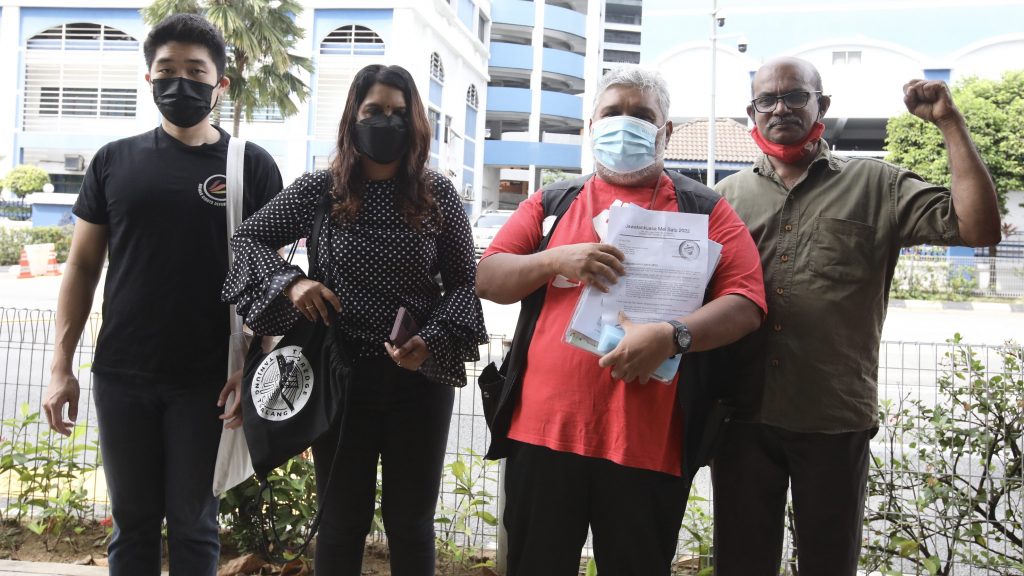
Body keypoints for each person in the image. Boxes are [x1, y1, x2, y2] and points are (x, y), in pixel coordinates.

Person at [713, 56, 1001, 575]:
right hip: (740, 415)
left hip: (832, 416)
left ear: (822, 104)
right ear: (751, 113)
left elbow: (978, 228)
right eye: (766, 100)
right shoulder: (724, 198)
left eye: (795, 96)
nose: (780, 109)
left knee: (829, 562)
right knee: (741, 562)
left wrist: (949, 122)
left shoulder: (876, 185)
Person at [475, 65, 766, 575]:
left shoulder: (704, 209)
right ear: (591, 127)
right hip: (542, 436)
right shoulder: (552, 203)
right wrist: (554, 260)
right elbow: (489, 278)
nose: (625, 124)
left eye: (641, 115)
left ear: (665, 131)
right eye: (612, 112)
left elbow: (746, 302)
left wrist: (673, 337)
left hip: (647, 446)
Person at [42, 13, 283, 576]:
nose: (181, 82)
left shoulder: (250, 166)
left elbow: (273, 280)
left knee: (195, 524)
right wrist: (60, 366)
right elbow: (81, 267)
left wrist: (258, 364)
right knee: (132, 524)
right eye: (167, 70)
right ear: (149, 78)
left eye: (196, 71)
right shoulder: (113, 161)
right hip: (122, 374)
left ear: (220, 84)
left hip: (210, 381)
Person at [221, 63, 487, 575]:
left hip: (419, 379)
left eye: (398, 113)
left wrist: (431, 340)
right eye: (374, 111)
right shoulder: (321, 190)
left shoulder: (437, 194)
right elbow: (247, 238)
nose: (386, 121)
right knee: (342, 520)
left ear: (415, 123)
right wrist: (293, 282)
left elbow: (464, 284)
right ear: (352, 117)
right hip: (340, 378)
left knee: (411, 521)